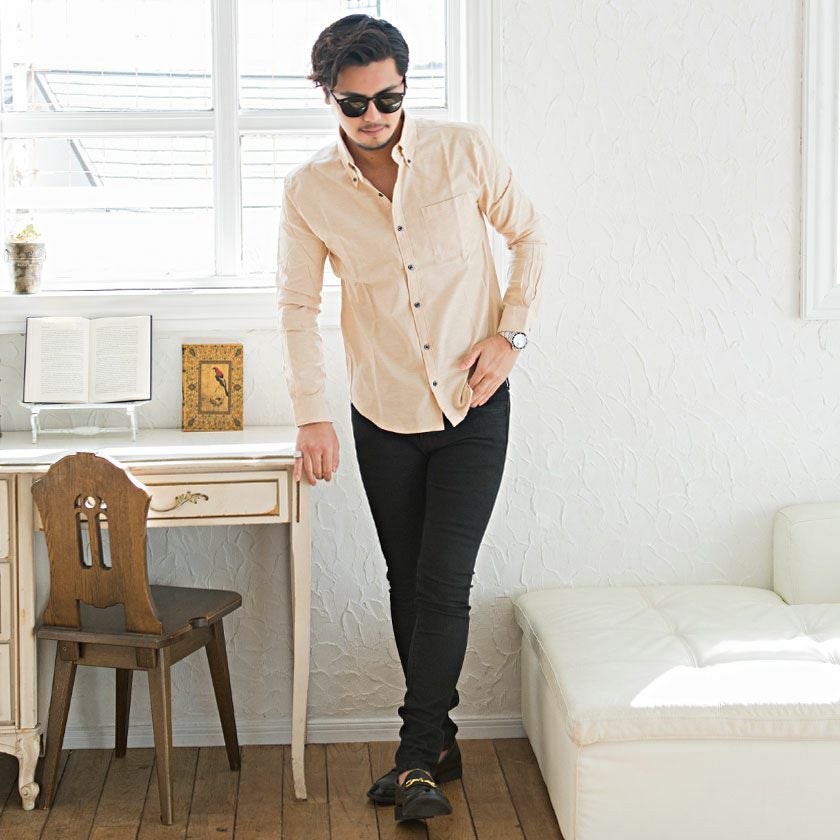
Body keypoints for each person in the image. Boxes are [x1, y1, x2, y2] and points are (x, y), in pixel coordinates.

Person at [276, 13, 545, 823]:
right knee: (408, 581)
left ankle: (416, 756)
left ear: (404, 86)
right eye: (355, 103)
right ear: (329, 97)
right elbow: (296, 307)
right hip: (382, 412)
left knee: (444, 581)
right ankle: (440, 745)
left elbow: (530, 234)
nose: (375, 116)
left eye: (388, 97)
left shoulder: (464, 152)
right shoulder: (309, 190)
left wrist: (511, 335)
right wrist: (311, 417)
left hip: (472, 406)